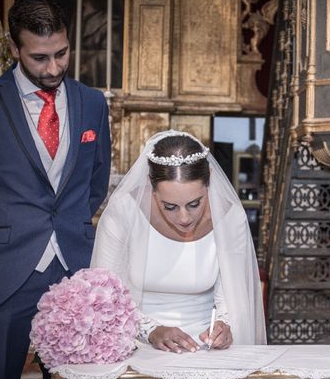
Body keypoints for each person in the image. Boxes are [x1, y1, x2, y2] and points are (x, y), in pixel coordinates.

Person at [0, 0, 111, 379]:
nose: (53, 67)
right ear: (15, 48)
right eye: (39, 57)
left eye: (62, 53)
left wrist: (70, 230)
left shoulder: (92, 103)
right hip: (1, 277)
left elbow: (95, 183)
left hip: (73, 273)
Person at [91, 130, 266, 353]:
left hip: (206, 348)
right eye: (170, 207)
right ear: (152, 188)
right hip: (135, 344)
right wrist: (151, 331)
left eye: (194, 204)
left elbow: (231, 295)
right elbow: (106, 296)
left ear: (209, 181)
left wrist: (224, 325)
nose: (184, 218)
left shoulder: (229, 217)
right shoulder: (124, 212)